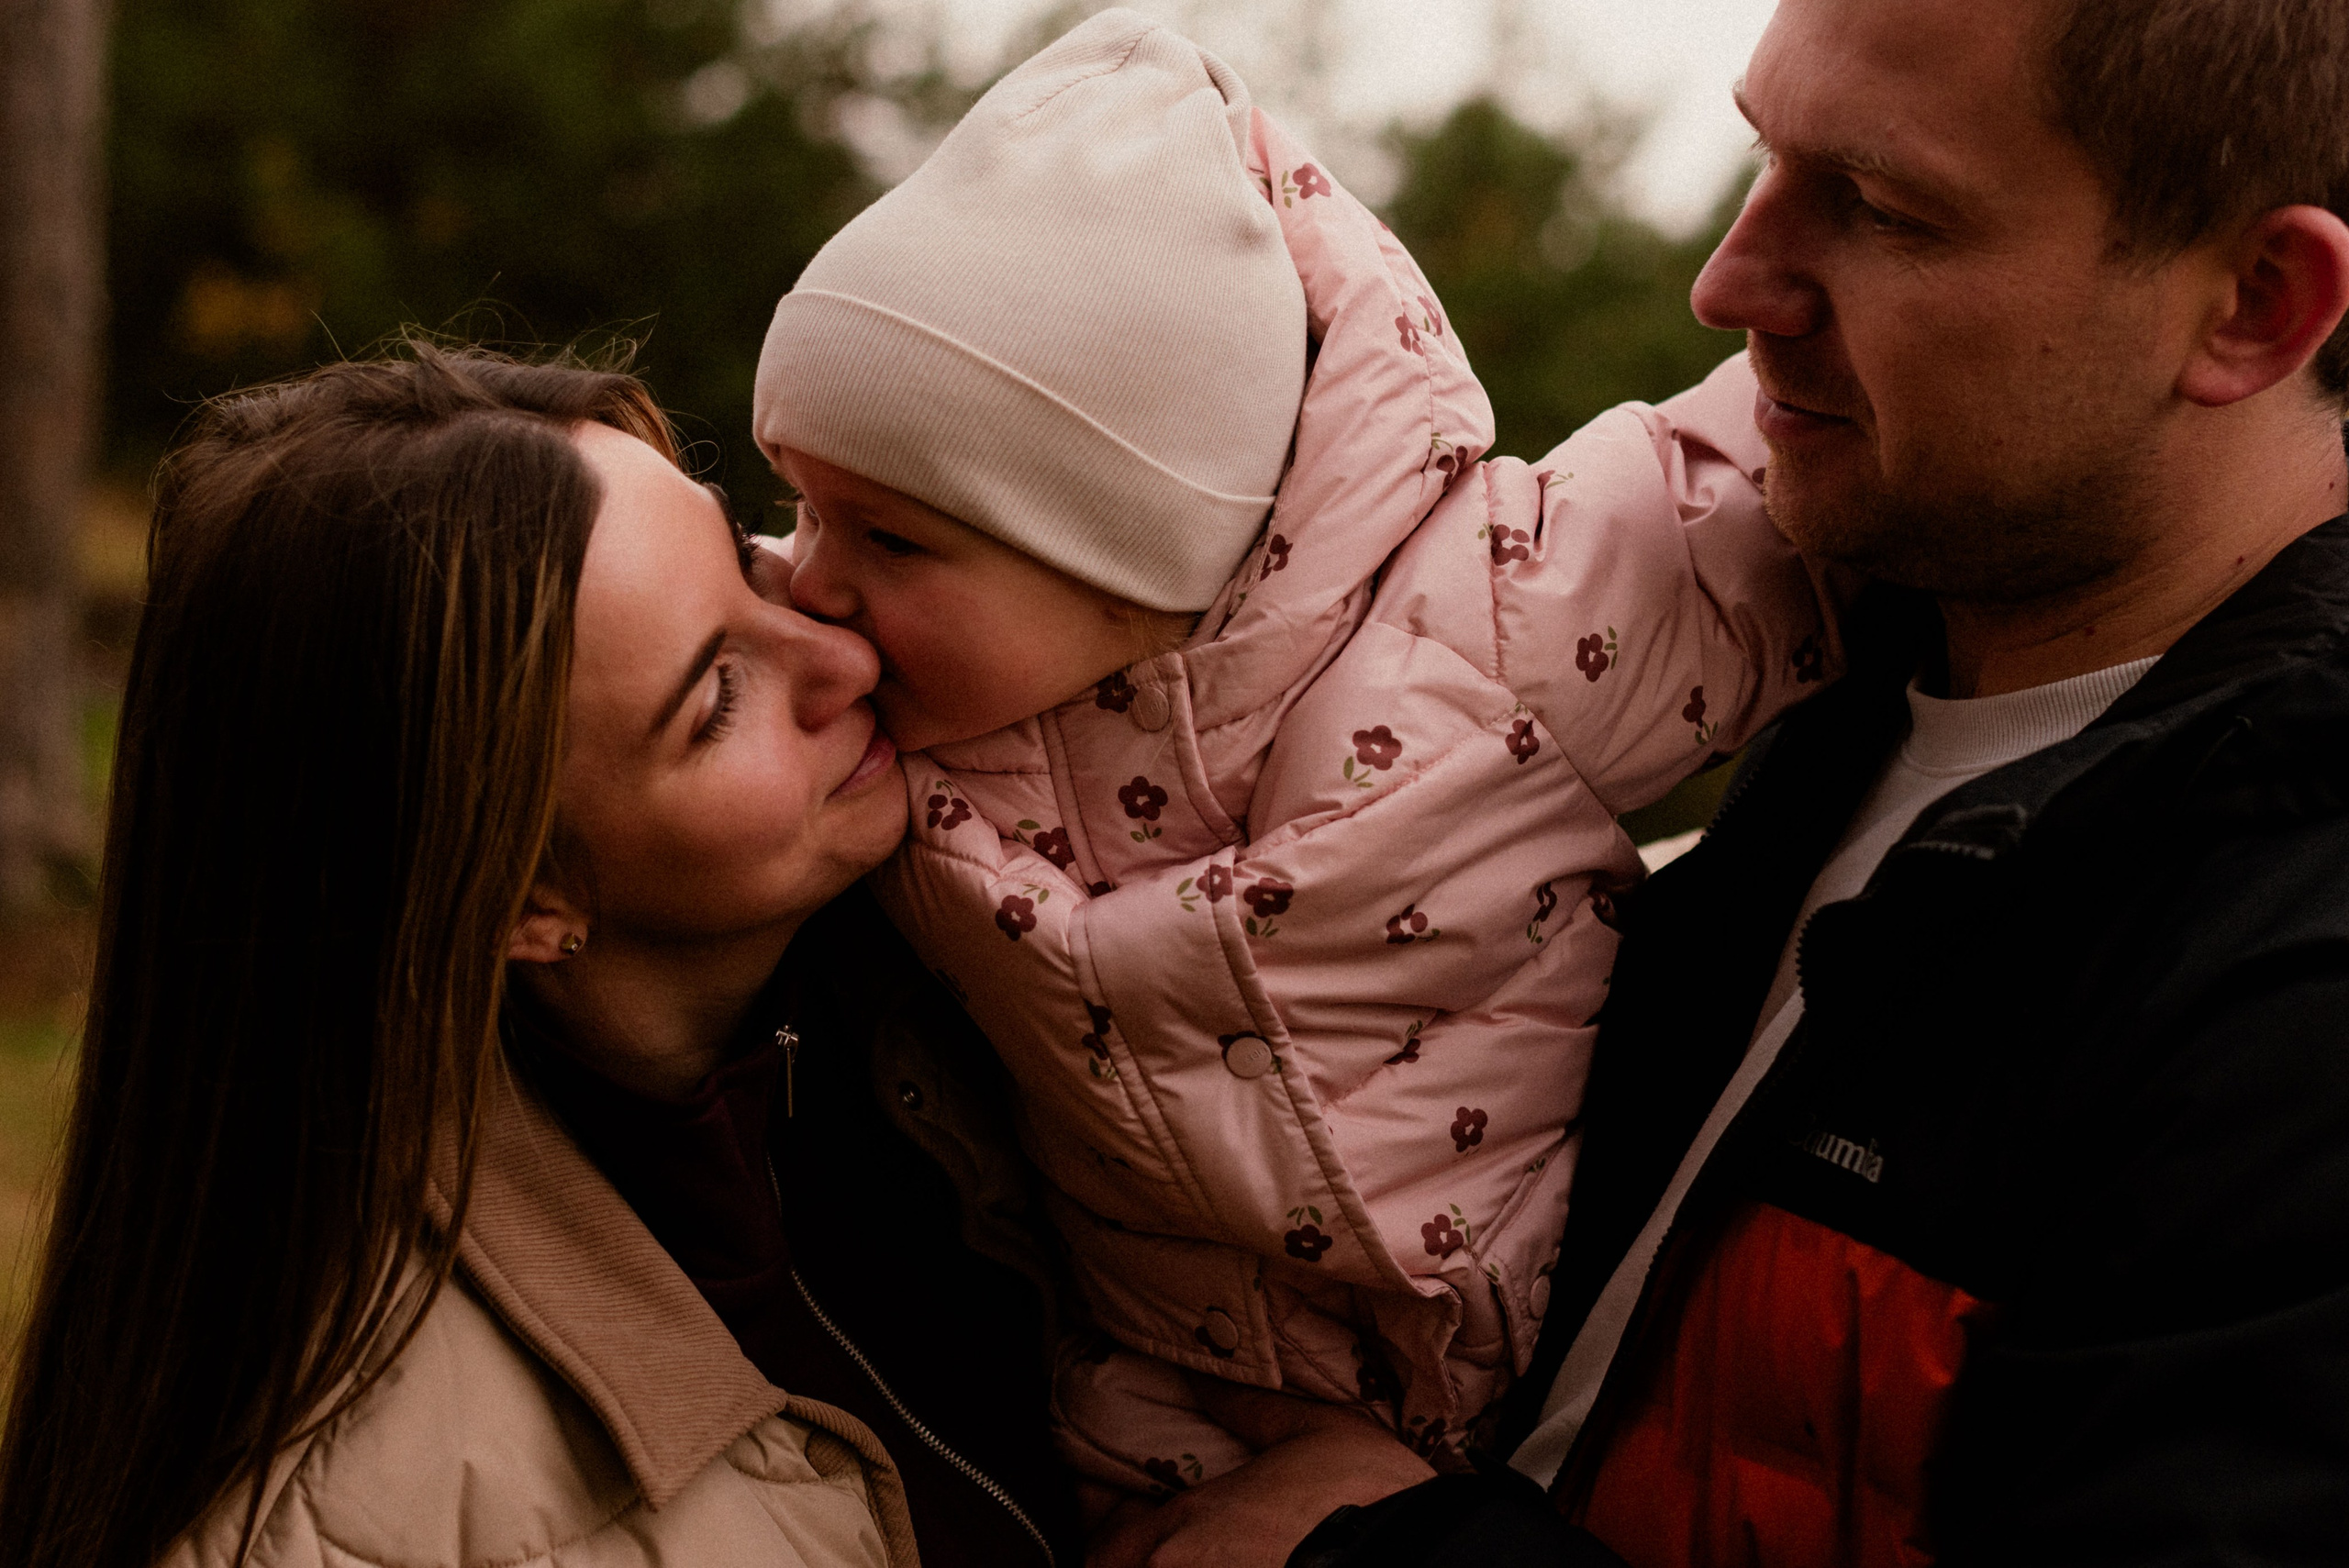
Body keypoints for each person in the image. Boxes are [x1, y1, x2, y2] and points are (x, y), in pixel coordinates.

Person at [749, 5, 1845, 1533]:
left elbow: (1772, 488)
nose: (809, 579)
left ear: (1132, 551)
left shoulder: (1498, 624)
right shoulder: (870, 727)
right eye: (801, 506)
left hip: (1552, 1402)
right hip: (1143, 1419)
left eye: (887, 536)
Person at [1305, 0, 2349, 1562]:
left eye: (1879, 208)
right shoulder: (1793, 690)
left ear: (2255, 307)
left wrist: (1367, 1546)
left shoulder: (2293, 997)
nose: (1727, 282)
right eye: (1763, 156)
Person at [0, 345, 1088, 1568]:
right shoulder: (351, 1522)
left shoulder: (1020, 967)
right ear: (522, 896)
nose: (844, 656)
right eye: (717, 698)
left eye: (746, 562)